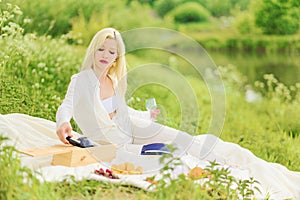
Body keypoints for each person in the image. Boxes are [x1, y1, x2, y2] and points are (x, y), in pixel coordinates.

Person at [1, 27, 300, 199]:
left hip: (133, 129)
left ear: (117, 57)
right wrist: (63, 123)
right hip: (115, 145)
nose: (105, 57)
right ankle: (220, 167)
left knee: (190, 139)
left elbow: (123, 112)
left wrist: (148, 117)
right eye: (101, 50)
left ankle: (234, 160)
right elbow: (65, 106)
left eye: (112, 53)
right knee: (172, 155)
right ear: (93, 50)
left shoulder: (114, 80)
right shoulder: (81, 81)